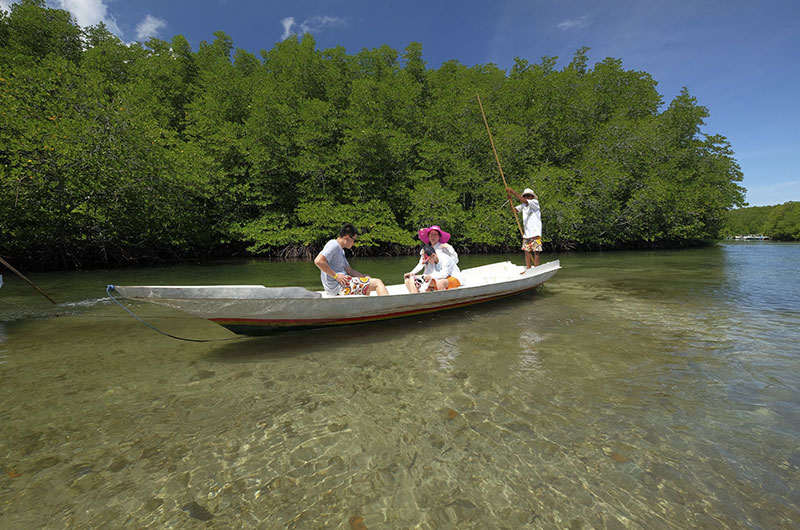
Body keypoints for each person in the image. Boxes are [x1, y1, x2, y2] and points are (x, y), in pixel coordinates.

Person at [314, 224, 389, 296]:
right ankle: (388, 306)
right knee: (377, 282)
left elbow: (349, 271)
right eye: (354, 240)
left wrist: (364, 276)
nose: (354, 243)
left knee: (368, 283)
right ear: (347, 237)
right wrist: (336, 276)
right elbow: (318, 261)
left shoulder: (341, 250)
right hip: (339, 287)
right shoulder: (333, 244)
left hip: (343, 284)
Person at [506, 186, 542, 271]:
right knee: (527, 252)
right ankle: (528, 269)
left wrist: (513, 192)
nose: (526, 197)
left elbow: (525, 201)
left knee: (536, 251)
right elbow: (514, 210)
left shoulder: (534, 202)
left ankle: (536, 269)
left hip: (535, 232)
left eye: (528, 195)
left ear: (532, 197)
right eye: (525, 196)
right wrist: (510, 200)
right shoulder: (523, 205)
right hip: (527, 233)